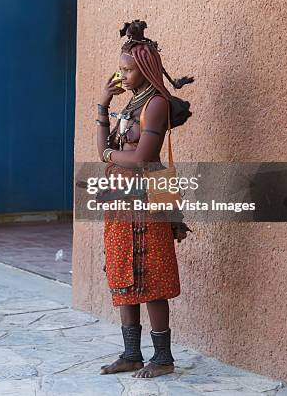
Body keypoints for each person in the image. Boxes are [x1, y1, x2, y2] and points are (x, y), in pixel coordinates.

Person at [95, 20, 194, 379]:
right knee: (123, 271)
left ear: (145, 68)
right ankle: (131, 354)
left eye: (127, 69)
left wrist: (109, 156)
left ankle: (163, 358)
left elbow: (140, 160)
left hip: (146, 199)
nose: (121, 74)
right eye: (120, 68)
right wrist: (103, 106)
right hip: (121, 200)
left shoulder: (154, 104)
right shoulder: (129, 104)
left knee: (151, 275)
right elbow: (104, 147)